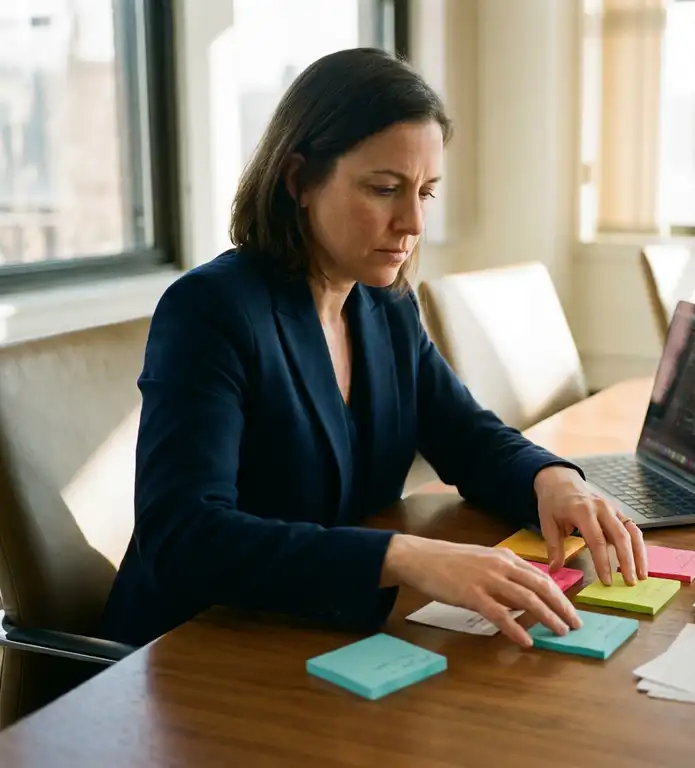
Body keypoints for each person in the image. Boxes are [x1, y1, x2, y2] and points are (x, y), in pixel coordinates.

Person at [101, 48, 647, 650]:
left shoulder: (383, 304)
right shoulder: (211, 310)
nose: (412, 222)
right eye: (385, 189)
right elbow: (184, 536)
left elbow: (467, 436)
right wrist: (404, 555)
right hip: (197, 648)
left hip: (320, 632)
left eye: (426, 193)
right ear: (299, 180)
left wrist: (552, 479)